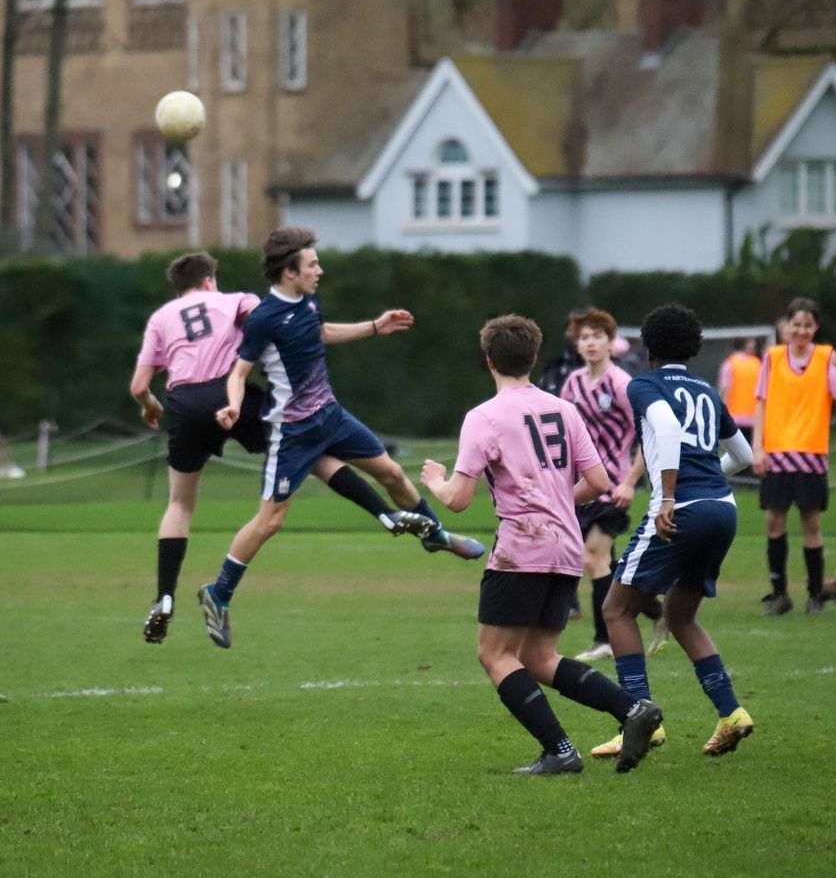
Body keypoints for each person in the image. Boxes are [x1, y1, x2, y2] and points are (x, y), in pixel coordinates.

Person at [199, 228, 484, 648]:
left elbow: (320, 331)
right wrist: (234, 406)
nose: (320, 270)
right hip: (292, 433)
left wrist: (375, 326)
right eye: (312, 264)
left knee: (390, 472)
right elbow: (240, 372)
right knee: (271, 520)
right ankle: (218, 593)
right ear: (290, 271)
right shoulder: (263, 318)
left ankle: (435, 535)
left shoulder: (307, 300)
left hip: (331, 417)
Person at [131, 252, 435, 643]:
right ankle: (386, 515)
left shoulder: (161, 318)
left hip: (183, 404)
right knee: (313, 453)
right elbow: (276, 320)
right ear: (209, 280)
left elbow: (140, 387)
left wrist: (151, 408)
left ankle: (165, 597)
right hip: (230, 395)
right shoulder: (233, 300)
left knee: (179, 504)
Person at [419, 315, 656, 775]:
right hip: (566, 546)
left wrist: (435, 482)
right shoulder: (564, 409)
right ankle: (632, 709)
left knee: (494, 654)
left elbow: (460, 500)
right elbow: (600, 480)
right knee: (538, 656)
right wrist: (555, 503)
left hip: (522, 547)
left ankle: (560, 750)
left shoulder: (484, 416)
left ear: (488, 360)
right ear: (533, 358)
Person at [594, 304, 757, 770]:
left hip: (680, 508)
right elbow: (743, 454)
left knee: (616, 608)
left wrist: (667, 496)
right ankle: (731, 712)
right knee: (681, 616)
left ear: (647, 344)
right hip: (722, 509)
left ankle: (641, 719)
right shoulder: (707, 388)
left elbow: (664, 426)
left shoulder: (643, 384)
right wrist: (708, 488)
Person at [752, 298, 836, 615]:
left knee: (811, 522)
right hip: (777, 451)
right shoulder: (773, 357)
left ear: (816, 328)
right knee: (773, 520)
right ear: (786, 326)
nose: (801, 331)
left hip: (811, 452)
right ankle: (779, 593)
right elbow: (762, 403)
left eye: (808, 325)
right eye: (796, 324)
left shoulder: (827, 358)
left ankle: (814, 594)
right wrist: (757, 447)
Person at [558, 308, 647, 662]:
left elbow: (648, 437)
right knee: (598, 561)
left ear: (611, 342)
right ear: (577, 345)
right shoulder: (573, 384)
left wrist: (629, 482)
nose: (590, 342)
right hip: (580, 487)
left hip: (611, 487)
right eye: (584, 337)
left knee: (593, 558)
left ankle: (604, 640)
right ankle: (655, 611)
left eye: (597, 336)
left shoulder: (623, 384)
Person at [717, 336, 762, 433]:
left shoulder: (730, 363)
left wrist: (723, 414)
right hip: (755, 417)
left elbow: (725, 389)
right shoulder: (757, 363)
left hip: (734, 417)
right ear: (745, 345)